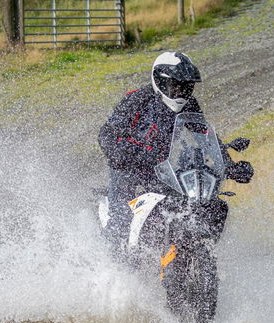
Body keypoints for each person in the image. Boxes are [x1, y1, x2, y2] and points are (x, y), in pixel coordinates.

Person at [98, 51, 253, 249]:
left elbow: (204, 136)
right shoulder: (137, 100)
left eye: (186, 87)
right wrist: (126, 153)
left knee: (206, 203)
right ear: (160, 81)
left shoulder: (190, 105)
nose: (180, 92)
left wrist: (228, 164)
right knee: (120, 219)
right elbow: (106, 134)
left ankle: (197, 249)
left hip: (164, 169)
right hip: (128, 168)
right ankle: (111, 266)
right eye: (175, 85)